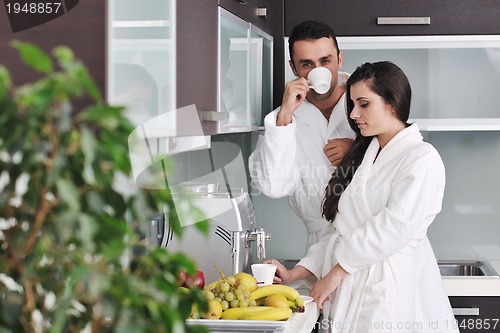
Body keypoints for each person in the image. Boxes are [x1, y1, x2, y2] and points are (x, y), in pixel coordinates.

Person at [267, 61, 458, 332]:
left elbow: (393, 228)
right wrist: (294, 274)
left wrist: (335, 274)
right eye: (352, 104)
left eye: (363, 104)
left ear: (392, 103)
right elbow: (341, 233)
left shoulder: (422, 159)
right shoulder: (366, 155)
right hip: (351, 287)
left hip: (388, 292)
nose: (354, 114)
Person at [249, 21, 356, 251]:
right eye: (307, 64)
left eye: (325, 61)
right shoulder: (283, 119)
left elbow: (401, 153)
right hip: (319, 246)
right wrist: (285, 115)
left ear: (339, 59)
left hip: (371, 235)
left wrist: (357, 150)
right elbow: (274, 187)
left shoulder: (364, 98)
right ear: (294, 68)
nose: (318, 70)